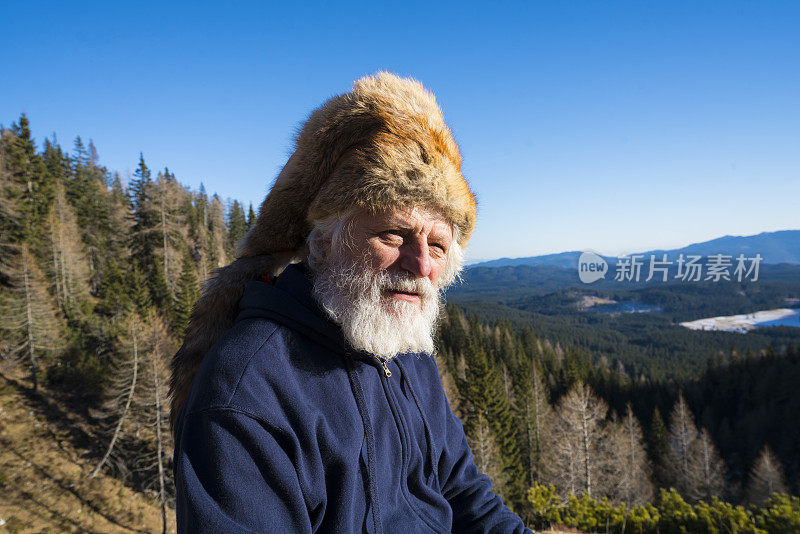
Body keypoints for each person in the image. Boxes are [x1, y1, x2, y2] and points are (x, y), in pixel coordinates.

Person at [171, 71, 531, 533]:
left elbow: (463, 492)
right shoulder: (247, 390)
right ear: (323, 241)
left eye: (438, 245)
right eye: (393, 234)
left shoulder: (405, 348)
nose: (421, 265)